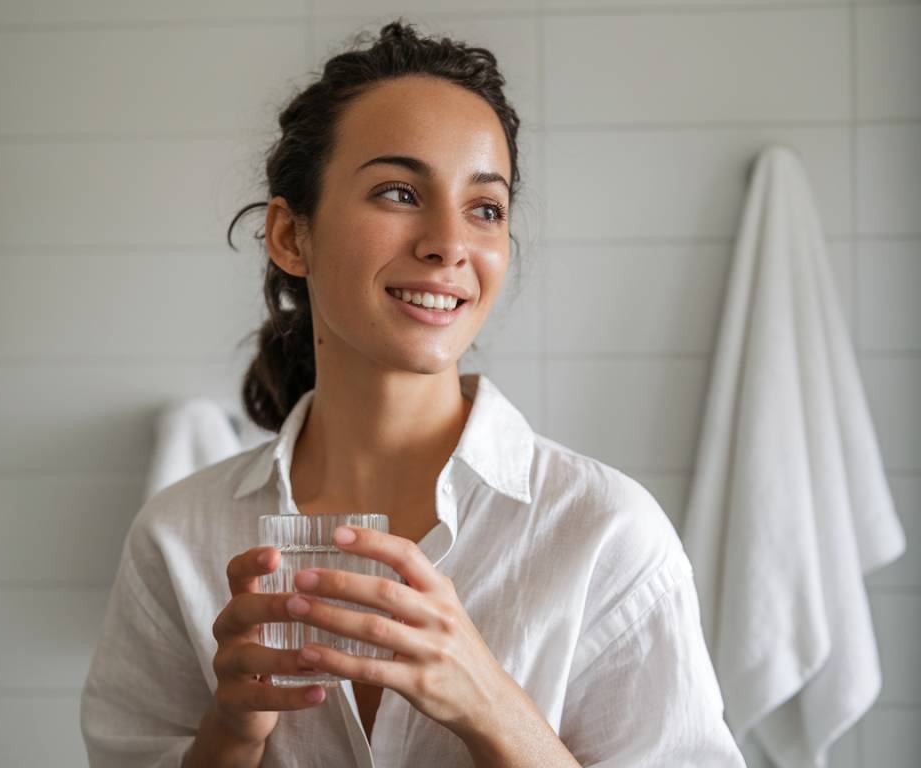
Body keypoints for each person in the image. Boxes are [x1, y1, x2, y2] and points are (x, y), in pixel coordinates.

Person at [80, 19, 748, 768]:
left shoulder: (606, 537)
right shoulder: (179, 538)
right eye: (399, 192)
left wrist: (490, 706)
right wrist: (230, 733)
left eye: (485, 209)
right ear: (290, 236)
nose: (449, 243)